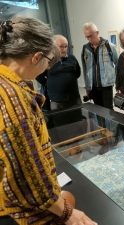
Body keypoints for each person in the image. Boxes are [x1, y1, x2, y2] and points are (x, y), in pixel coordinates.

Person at [0, 17, 97, 225]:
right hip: (22, 211)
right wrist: (68, 213)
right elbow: (27, 176)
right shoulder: (13, 99)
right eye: (48, 59)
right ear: (36, 57)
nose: (48, 67)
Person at [37, 35, 82, 110]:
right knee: (59, 120)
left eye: (66, 46)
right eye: (61, 46)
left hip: (74, 97)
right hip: (57, 99)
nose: (64, 49)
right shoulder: (48, 60)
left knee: (78, 119)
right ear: (53, 47)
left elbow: (77, 73)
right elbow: (38, 76)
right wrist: (50, 83)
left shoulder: (72, 58)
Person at [81, 22, 118, 110]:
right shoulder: (85, 49)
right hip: (93, 86)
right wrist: (87, 86)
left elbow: (117, 64)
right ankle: (100, 124)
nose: (89, 39)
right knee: (98, 109)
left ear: (97, 33)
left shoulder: (109, 46)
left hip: (106, 85)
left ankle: (109, 124)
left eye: (91, 36)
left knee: (108, 110)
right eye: (87, 37)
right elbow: (85, 68)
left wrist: (116, 82)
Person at [36, 44, 61, 111]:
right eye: (61, 46)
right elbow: (38, 76)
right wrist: (48, 83)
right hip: (53, 96)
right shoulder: (46, 61)